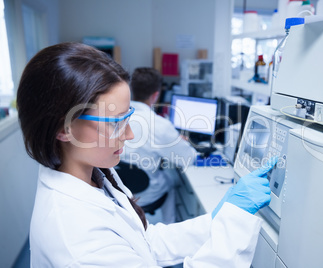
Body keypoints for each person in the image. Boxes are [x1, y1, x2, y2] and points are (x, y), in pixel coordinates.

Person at [17, 42, 277, 267]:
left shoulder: (93, 174)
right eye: (116, 122)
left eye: (128, 116)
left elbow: (144, 242)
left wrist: (215, 221)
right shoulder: (79, 243)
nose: (129, 135)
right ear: (64, 128)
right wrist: (232, 226)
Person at [120, 67, 196, 224]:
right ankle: (170, 226)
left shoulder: (117, 116)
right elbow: (188, 158)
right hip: (145, 194)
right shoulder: (160, 125)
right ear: (156, 95)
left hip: (121, 190)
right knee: (173, 180)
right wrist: (180, 141)